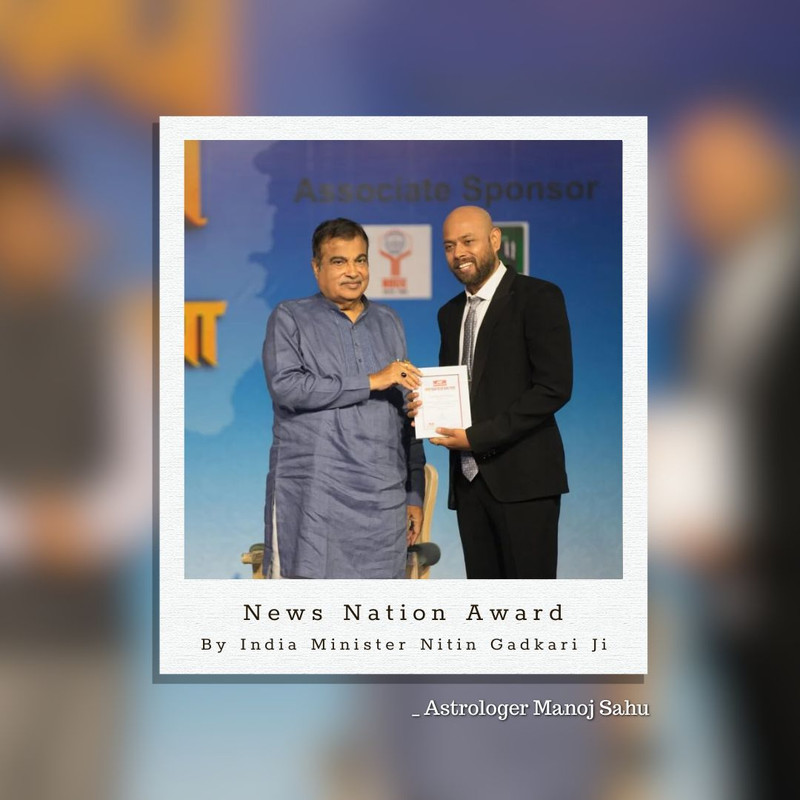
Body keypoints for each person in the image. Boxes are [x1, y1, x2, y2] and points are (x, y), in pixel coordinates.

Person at [411, 205, 572, 578]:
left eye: (468, 241)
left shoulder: (538, 297)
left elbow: (553, 388)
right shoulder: (449, 313)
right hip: (469, 486)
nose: (458, 253)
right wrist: (424, 406)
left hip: (524, 481)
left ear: (495, 239)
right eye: (449, 246)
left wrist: (476, 437)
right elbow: (458, 389)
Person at [262, 218, 425, 579]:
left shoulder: (389, 321)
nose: (353, 272)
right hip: (314, 501)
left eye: (360, 260)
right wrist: (372, 380)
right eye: (339, 262)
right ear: (316, 268)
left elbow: (407, 414)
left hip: (382, 504)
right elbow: (287, 387)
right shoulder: (290, 317)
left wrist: (414, 492)